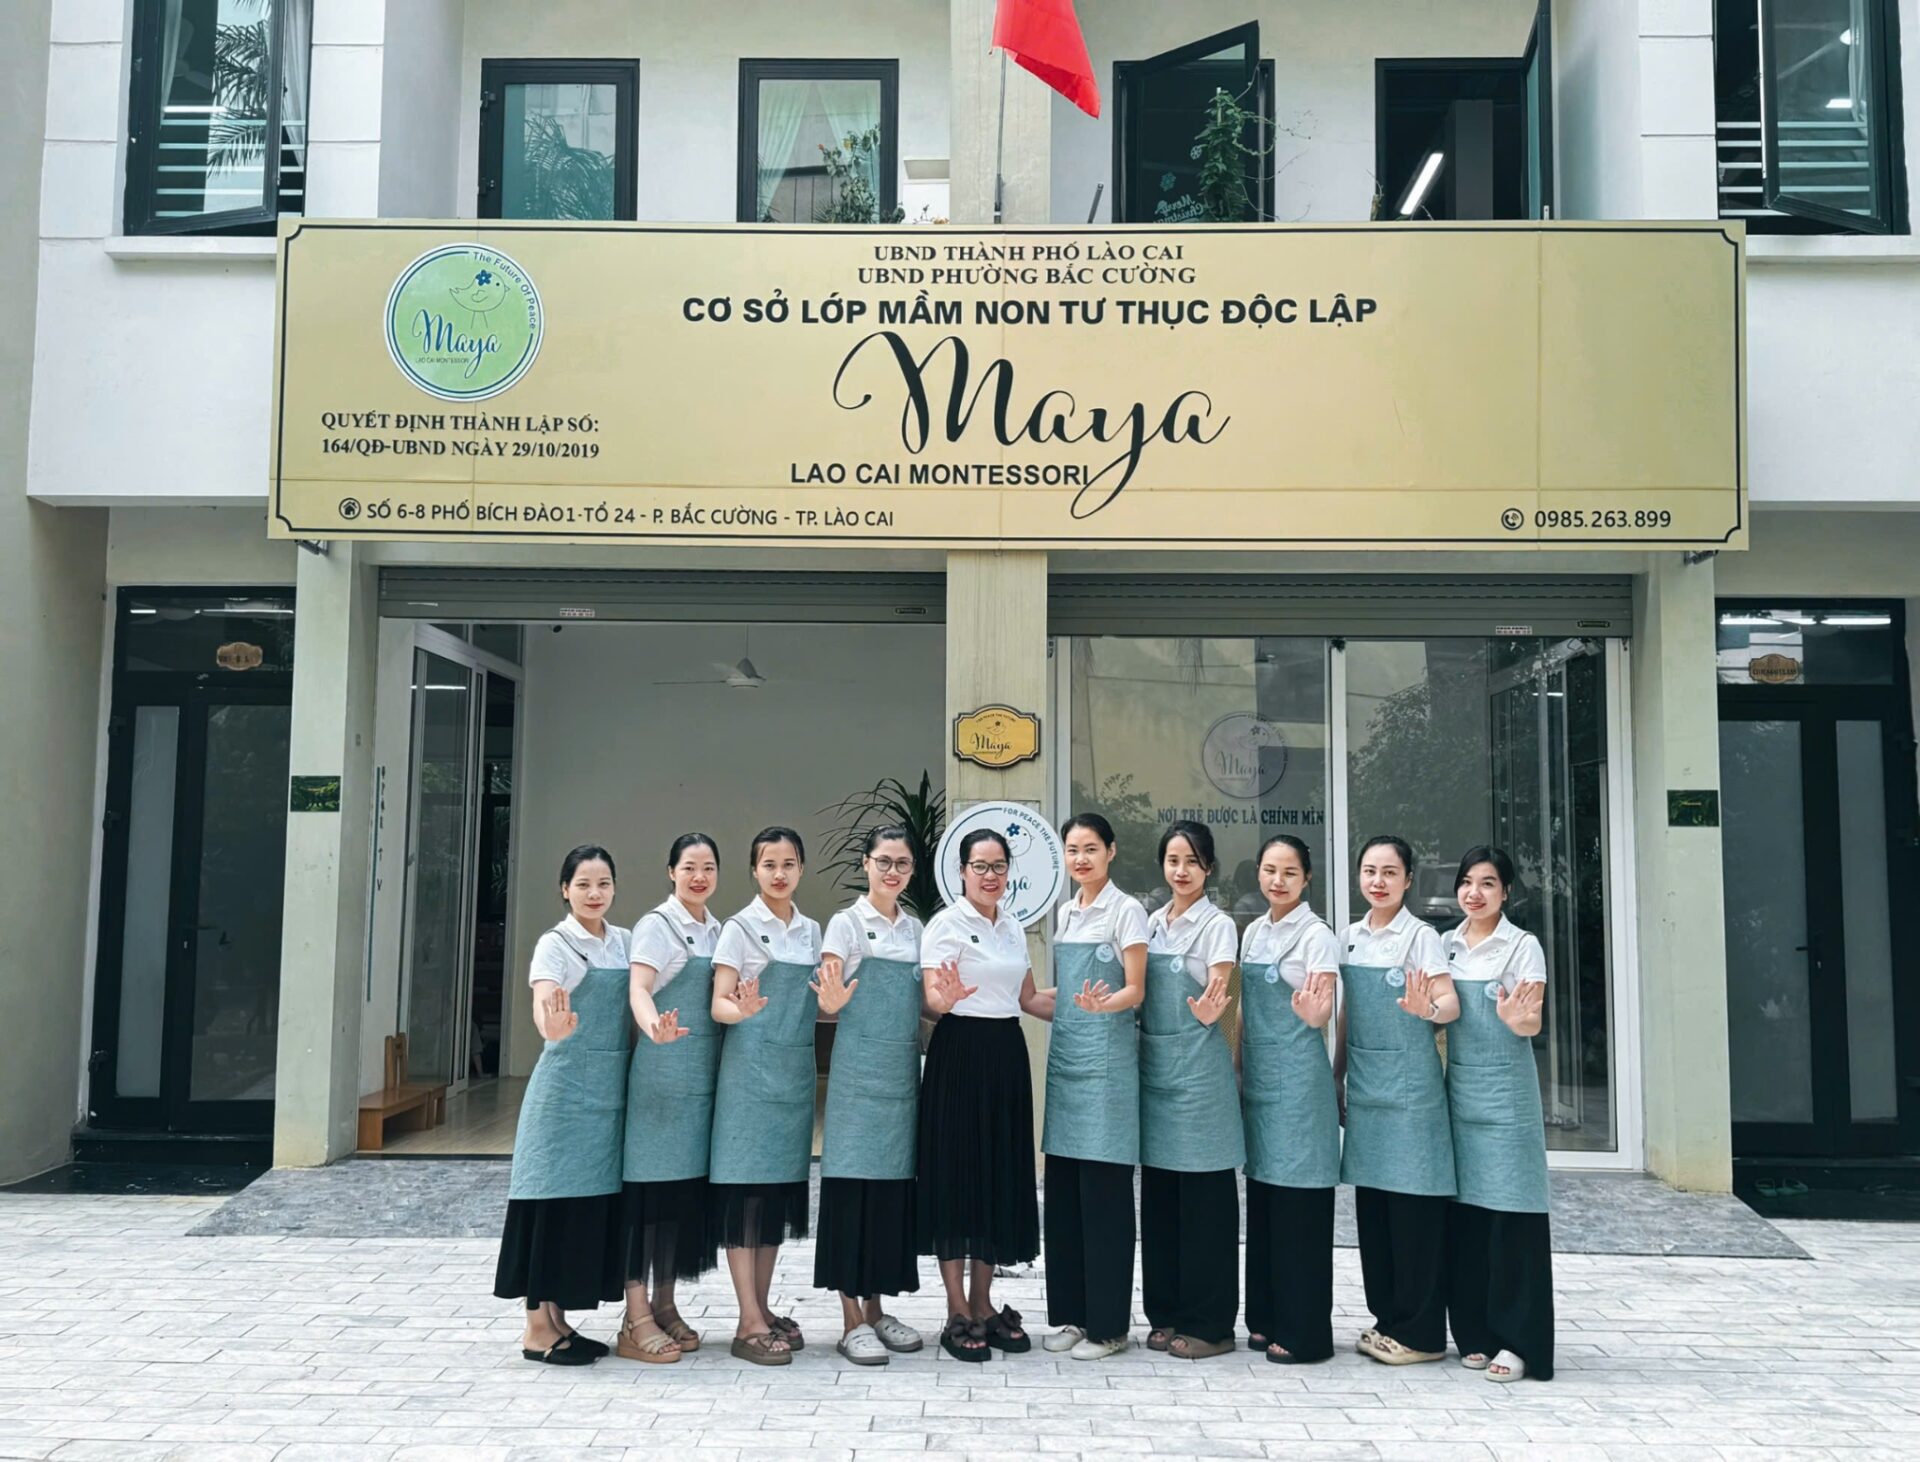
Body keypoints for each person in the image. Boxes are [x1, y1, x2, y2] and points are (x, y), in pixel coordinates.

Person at [494, 845, 629, 1366]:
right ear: (564, 889)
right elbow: (544, 1002)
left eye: (603, 883)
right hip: (563, 1095)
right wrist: (551, 1026)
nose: (594, 893)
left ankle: (559, 1322)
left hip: (607, 1094)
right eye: (583, 884)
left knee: (580, 1205)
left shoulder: (623, 942)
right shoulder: (556, 944)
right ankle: (536, 1329)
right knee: (547, 1203)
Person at [917, 828, 1043, 1362]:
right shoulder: (945, 925)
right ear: (962, 872)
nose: (990, 876)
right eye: (980, 866)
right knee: (957, 1175)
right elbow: (932, 998)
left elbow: (1029, 998)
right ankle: (955, 1308)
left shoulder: (1012, 926)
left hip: (1006, 1053)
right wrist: (943, 999)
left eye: (998, 866)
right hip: (959, 1053)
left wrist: (1094, 1008)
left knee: (996, 1173)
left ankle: (983, 1301)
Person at [1340, 834, 1458, 1366]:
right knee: (1376, 1213)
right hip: (1366, 1088)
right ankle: (1387, 1320)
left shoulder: (1421, 937)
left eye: (1390, 872)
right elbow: (1348, 1013)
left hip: (1411, 1091)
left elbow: (1450, 1002)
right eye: (1370, 871)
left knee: (1414, 1213)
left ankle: (1422, 1333)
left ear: (1408, 880)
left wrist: (1426, 1010)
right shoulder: (1350, 937)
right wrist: (1336, 1074)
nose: (1378, 881)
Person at [812, 826, 928, 1366]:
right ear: (866, 864)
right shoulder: (846, 923)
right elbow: (829, 992)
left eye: (902, 863)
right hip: (858, 1079)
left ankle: (878, 1309)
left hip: (901, 1075)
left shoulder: (916, 928)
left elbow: (925, 1001)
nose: (892, 872)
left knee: (888, 1195)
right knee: (850, 1191)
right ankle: (850, 1319)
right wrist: (832, 1000)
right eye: (884, 861)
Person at [708, 826, 822, 1366]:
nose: (779, 873)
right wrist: (743, 1009)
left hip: (793, 1076)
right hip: (749, 1078)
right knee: (745, 1194)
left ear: (801, 869)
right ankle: (747, 1320)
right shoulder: (739, 928)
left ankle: (763, 1306)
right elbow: (718, 1003)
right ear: (754, 870)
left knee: (775, 1195)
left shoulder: (811, 930)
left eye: (789, 863)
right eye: (769, 864)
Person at [1037, 813, 1148, 1360]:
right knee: (1065, 1200)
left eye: (1090, 849)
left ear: (1111, 851)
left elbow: (1136, 988)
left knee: (1104, 1200)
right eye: (1072, 850)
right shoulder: (1067, 911)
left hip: (1107, 1068)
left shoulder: (1127, 911)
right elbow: (1071, 991)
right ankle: (1074, 1316)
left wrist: (1104, 1006)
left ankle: (1109, 1327)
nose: (1080, 859)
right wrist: (1026, 997)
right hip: (1067, 1066)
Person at [1443, 846, 1554, 1382]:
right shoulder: (1446, 945)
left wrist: (1517, 1020)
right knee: (1467, 1218)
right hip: (1458, 1093)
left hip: (1507, 1096)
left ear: (1506, 892)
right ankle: (1474, 1333)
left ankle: (1518, 1341)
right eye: (1467, 882)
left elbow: (1533, 1021)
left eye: (1488, 883)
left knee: (1512, 1217)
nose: (1475, 893)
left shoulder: (1522, 946)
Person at [1137, 820, 1243, 1360]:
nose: (1182, 871)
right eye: (1173, 860)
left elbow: (1221, 993)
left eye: (1193, 862)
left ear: (1209, 868)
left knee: (1205, 1206)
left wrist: (1211, 1012)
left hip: (1200, 1077)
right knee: (1161, 1204)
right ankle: (1167, 1313)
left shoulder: (1217, 925)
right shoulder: (1152, 923)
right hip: (1156, 1071)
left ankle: (1211, 1325)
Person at [617, 832, 724, 1364]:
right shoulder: (657, 926)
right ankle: (635, 1317)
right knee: (647, 1198)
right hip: (660, 1078)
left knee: (679, 1198)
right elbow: (639, 988)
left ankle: (665, 1302)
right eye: (689, 868)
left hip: (699, 1082)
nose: (699, 877)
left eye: (708, 868)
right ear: (670, 872)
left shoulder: (717, 930)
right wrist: (652, 1025)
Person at [1238, 834, 1341, 1365]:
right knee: (1265, 1205)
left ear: (1307, 879)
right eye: (1270, 871)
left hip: (1300, 1084)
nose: (1278, 881)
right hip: (1259, 1081)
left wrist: (1313, 1015)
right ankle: (1265, 1317)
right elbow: (1242, 1010)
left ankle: (1306, 1333)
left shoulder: (1316, 936)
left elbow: (1323, 1009)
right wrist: (1235, 1068)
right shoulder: (1254, 931)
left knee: (1300, 1208)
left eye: (1290, 873)